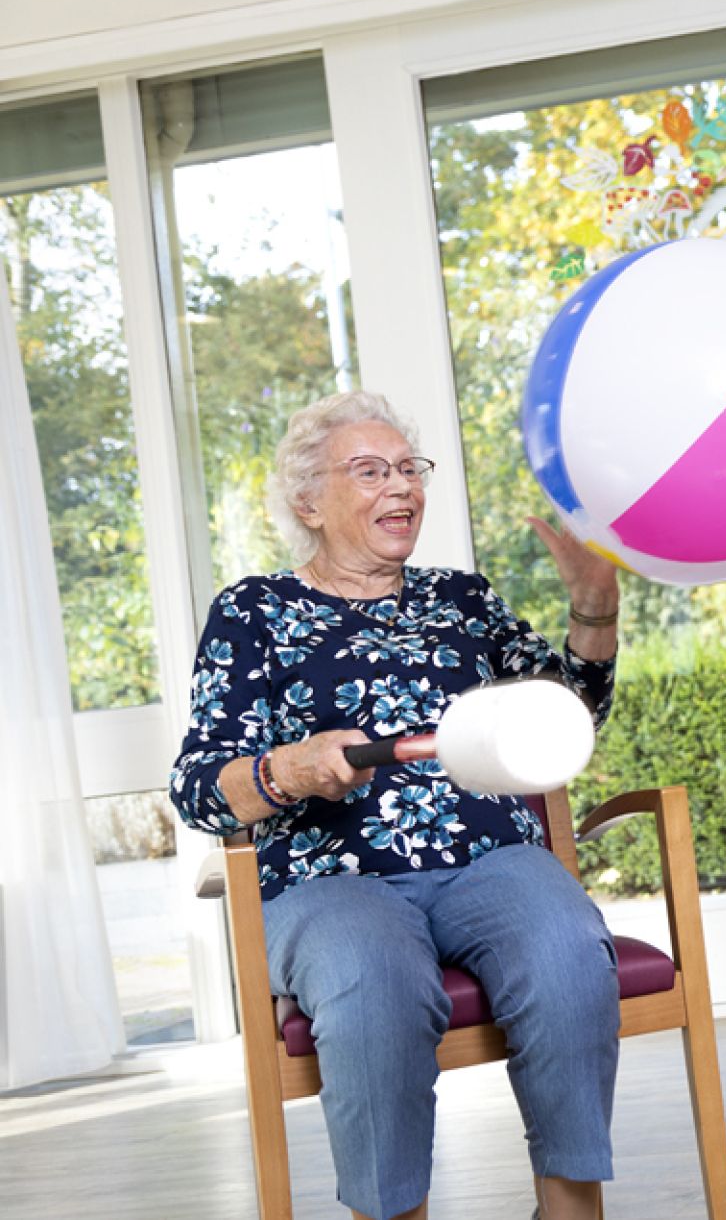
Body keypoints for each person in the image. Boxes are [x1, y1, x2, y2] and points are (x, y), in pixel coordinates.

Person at [170, 390, 624, 1220]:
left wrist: (594, 611)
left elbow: (566, 715)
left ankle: (570, 1209)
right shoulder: (253, 614)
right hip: (330, 880)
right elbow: (199, 786)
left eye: (409, 469)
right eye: (371, 471)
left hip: (489, 861)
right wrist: (289, 769)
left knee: (565, 947)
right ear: (309, 501)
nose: (403, 488)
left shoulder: (463, 600)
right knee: (373, 981)